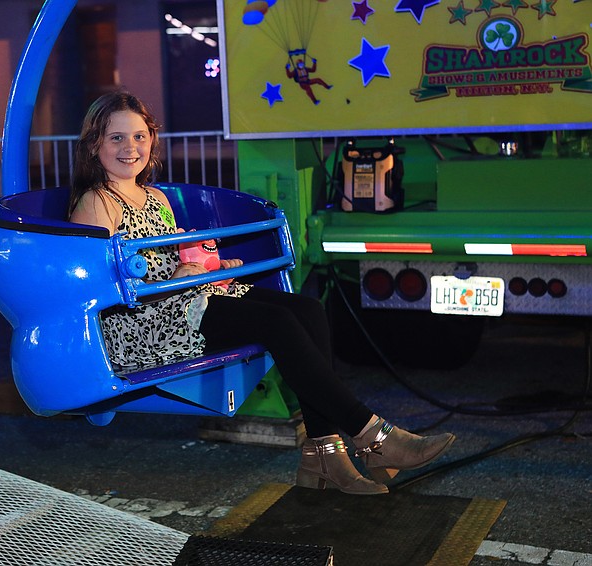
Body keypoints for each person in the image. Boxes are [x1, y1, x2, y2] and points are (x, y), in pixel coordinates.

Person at [68, 91, 454, 495]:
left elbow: (174, 259)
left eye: (139, 136)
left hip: (185, 300)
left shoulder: (157, 198)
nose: (130, 148)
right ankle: (372, 435)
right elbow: (97, 287)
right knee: (278, 323)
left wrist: (207, 268)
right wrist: (176, 277)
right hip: (144, 323)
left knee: (307, 310)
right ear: (94, 144)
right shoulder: (97, 204)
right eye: (116, 138)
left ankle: (323, 453)